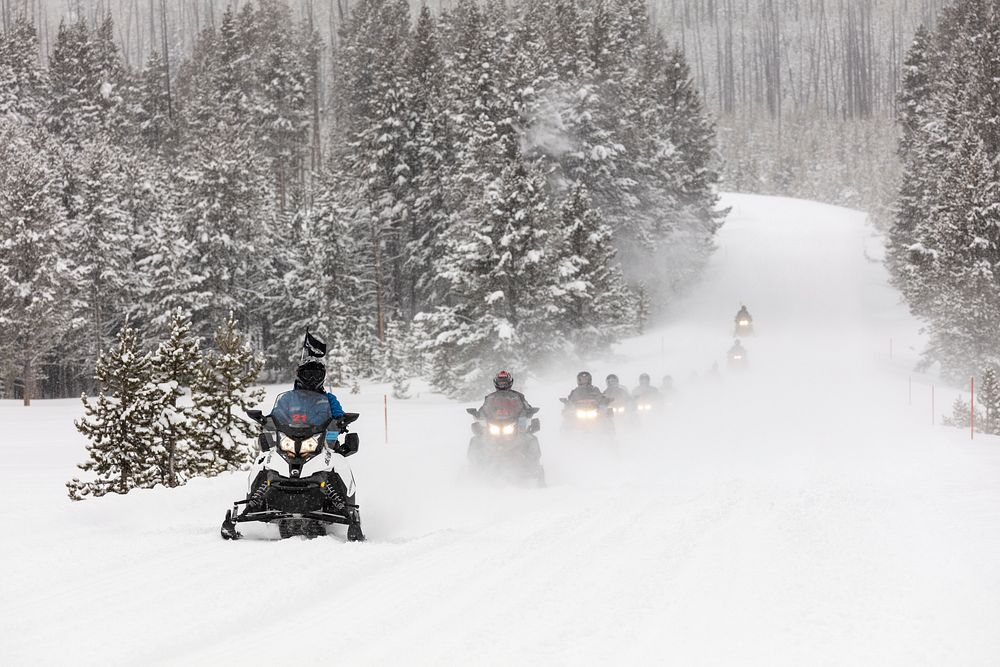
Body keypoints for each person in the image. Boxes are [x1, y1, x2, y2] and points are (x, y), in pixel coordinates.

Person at [470, 370, 540, 464]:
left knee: (530, 438)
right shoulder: (490, 397)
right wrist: (477, 415)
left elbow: (526, 408)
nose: (502, 385)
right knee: (477, 440)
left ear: (509, 383)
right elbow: (484, 410)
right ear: (496, 383)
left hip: (513, 425)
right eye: (501, 383)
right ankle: (474, 465)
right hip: (494, 424)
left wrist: (529, 413)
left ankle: (532, 465)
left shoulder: (518, 396)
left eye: (504, 383)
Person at [294, 359, 345, 445]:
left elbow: (338, 413)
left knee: (337, 454)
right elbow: (278, 415)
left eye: (317, 375)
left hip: (325, 442)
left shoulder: (329, 399)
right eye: (308, 375)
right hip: (292, 441)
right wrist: (267, 421)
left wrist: (341, 420)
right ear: (300, 375)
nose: (312, 379)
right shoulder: (290, 399)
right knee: (272, 455)